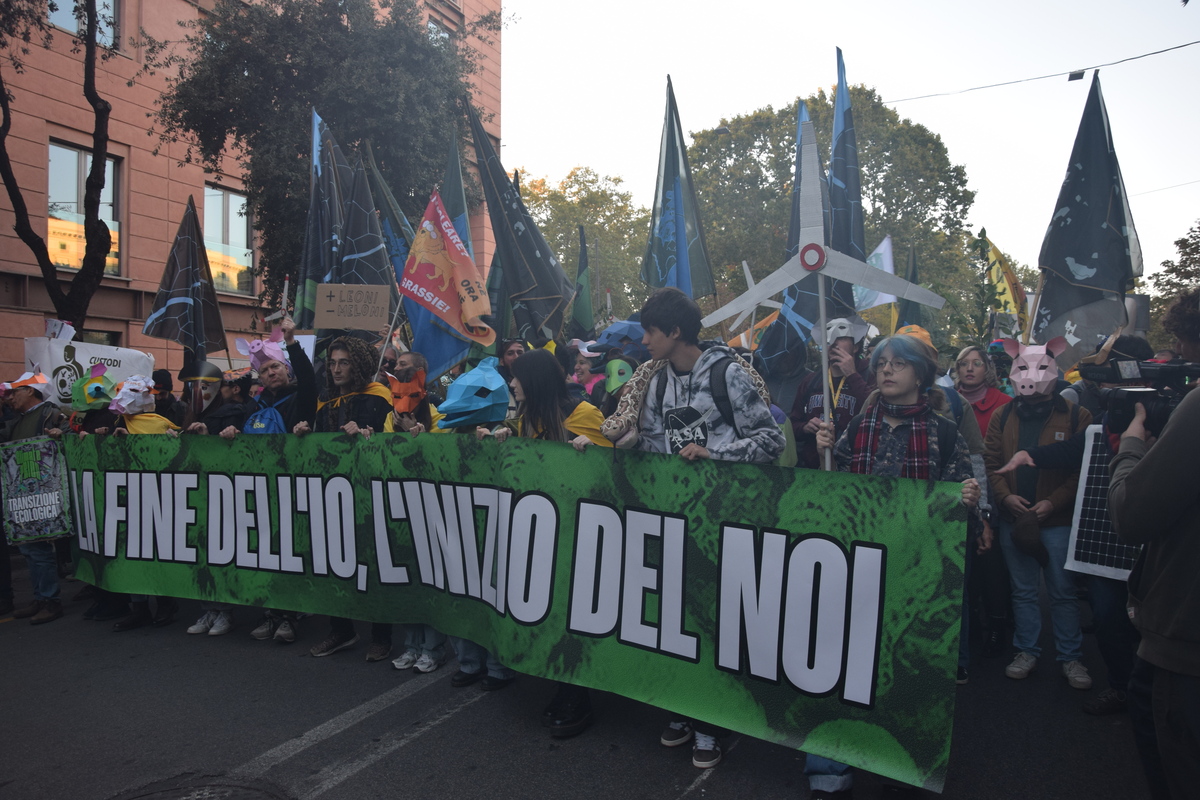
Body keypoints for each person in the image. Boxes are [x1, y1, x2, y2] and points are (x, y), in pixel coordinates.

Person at [624, 288, 785, 769]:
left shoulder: (727, 373)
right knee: (674, 621)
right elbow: (654, 445)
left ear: (675, 332)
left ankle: (711, 724)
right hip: (674, 521)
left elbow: (770, 440)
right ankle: (681, 708)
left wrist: (716, 454)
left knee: (712, 625)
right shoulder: (653, 381)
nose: (645, 340)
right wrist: (628, 445)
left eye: (651, 332)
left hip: (726, 521)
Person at [814, 334, 980, 800]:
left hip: (912, 578)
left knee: (903, 673)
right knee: (840, 669)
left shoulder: (944, 433)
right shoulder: (860, 426)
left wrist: (967, 500)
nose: (886, 371)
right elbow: (834, 493)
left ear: (920, 375)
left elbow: (959, 513)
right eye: (881, 363)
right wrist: (826, 452)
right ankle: (827, 770)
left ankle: (899, 768)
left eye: (898, 364)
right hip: (856, 569)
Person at [481, 348, 613, 735]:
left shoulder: (585, 416)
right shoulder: (527, 420)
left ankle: (576, 694)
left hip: (582, 538)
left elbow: (612, 475)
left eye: (517, 376)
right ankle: (562, 682)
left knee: (574, 618)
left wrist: (591, 456)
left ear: (535, 379)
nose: (512, 383)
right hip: (545, 538)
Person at [983, 339, 1092, 689]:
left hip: (1056, 522)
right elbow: (990, 462)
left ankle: (1071, 656)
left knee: (1062, 590)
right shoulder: (1003, 414)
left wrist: (1054, 503)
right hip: (1015, 518)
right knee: (1023, 590)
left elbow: (1083, 468)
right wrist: (1004, 498)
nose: (1031, 376)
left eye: (1041, 367)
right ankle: (1027, 650)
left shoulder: (1078, 416)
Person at [295, 335, 394, 661]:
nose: (336, 369)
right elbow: (323, 444)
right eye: (333, 362)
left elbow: (394, 444)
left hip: (369, 494)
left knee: (375, 565)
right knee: (334, 564)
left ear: (359, 364)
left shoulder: (379, 397)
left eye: (344, 362)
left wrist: (368, 436)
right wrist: (306, 436)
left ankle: (382, 635)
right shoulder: (325, 400)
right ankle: (341, 630)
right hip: (333, 494)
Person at [227, 316, 317, 643]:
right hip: (262, 489)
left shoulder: (301, 396)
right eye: (264, 370)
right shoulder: (256, 404)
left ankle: (290, 617)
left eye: (276, 367)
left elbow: (308, 378)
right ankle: (271, 612)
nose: (271, 373)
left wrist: (291, 343)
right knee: (267, 552)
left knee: (290, 553)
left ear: (287, 369)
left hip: (294, 488)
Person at [953, 344, 1013, 660]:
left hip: (991, 489)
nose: (970, 368)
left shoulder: (1004, 404)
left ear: (986, 368)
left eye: (977, 363)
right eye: (964, 363)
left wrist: (987, 508)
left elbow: (986, 458)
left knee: (990, 563)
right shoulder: (946, 400)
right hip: (959, 491)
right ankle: (971, 625)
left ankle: (997, 624)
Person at [180, 360, 247, 636]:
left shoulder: (232, 412)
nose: (199, 392)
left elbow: (234, 454)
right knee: (202, 553)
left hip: (223, 491)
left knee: (222, 551)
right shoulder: (187, 415)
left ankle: (225, 611)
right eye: (194, 386)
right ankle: (209, 608)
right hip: (197, 492)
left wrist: (209, 439)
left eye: (205, 386)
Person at [1, 371, 67, 624]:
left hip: (43, 493)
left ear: (31, 390)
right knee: (28, 548)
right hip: (22, 493)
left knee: (39, 549)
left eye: (16, 391)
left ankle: (51, 600)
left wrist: (60, 435)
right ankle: (40, 596)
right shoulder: (19, 420)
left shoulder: (51, 414)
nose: (12, 397)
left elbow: (67, 439)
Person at [790, 317, 874, 470]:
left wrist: (852, 375)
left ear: (855, 347)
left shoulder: (869, 375)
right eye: (827, 340)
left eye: (841, 338)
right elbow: (793, 424)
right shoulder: (811, 381)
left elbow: (876, 408)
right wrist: (804, 427)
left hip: (854, 467)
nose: (833, 343)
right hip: (814, 467)